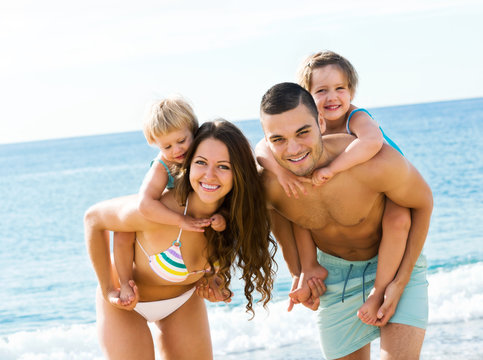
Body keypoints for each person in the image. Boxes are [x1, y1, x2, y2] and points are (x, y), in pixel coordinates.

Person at [259, 82, 432, 359]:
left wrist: (400, 281)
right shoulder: (270, 184)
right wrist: (299, 271)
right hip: (335, 279)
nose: (293, 149)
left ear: (321, 122)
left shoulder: (372, 163)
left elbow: (423, 202)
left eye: (303, 133)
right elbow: (275, 213)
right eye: (278, 139)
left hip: (395, 265)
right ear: (266, 141)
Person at [84, 120, 276, 360]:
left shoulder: (234, 214)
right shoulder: (159, 211)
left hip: (182, 302)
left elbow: (273, 165)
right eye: (201, 163)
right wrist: (108, 289)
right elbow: (93, 219)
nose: (209, 175)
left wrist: (213, 279)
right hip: (128, 305)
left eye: (223, 167)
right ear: (188, 164)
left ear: (239, 172)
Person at [256, 51, 410, 325]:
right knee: (300, 205)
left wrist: (331, 168)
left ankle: (380, 290)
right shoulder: (304, 129)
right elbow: (261, 148)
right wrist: (282, 174)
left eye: (341, 88)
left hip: (388, 191)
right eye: (321, 90)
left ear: (351, 91)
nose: (332, 97)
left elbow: (372, 143)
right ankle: (304, 270)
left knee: (397, 220)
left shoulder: (356, 117)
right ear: (304, 97)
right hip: (338, 196)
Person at [113, 96, 226, 305]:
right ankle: (125, 282)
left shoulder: (205, 151)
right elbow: (145, 203)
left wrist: (221, 217)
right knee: (122, 232)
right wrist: (179, 220)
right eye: (166, 146)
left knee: (215, 232)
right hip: (169, 219)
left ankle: (214, 275)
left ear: (194, 130)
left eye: (182, 141)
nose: (176, 150)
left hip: (197, 218)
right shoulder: (163, 164)